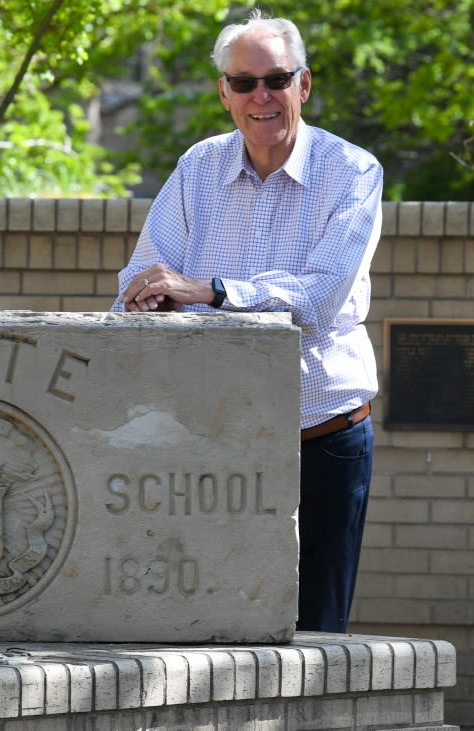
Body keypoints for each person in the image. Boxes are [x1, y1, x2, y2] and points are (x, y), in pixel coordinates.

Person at [111, 11, 381, 633]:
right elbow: (140, 282)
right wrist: (150, 297)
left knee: (314, 639)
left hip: (320, 439)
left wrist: (210, 291)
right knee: (205, 628)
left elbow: (315, 303)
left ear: (304, 85)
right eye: (243, 83)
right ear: (223, 93)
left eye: (276, 79)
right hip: (207, 444)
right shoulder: (197, 168)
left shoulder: (354, 173)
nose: (261, 96)